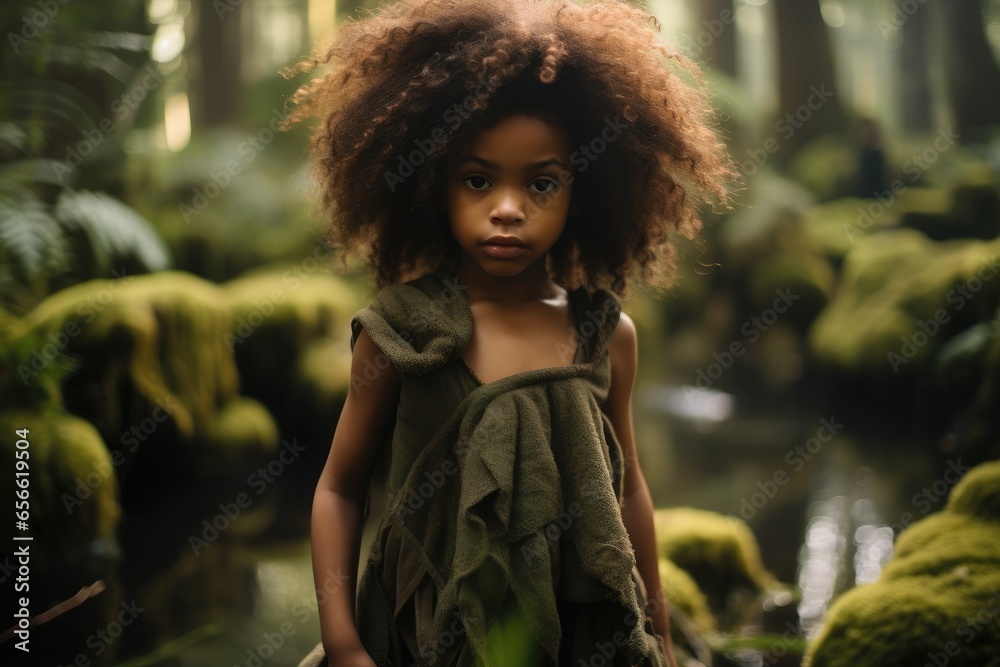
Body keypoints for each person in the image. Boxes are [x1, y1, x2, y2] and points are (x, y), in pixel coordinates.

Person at [286, 1, 733, 664]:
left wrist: (659, 633)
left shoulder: (606, 335)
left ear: (587, 189)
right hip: (425, 636)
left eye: (542, 183)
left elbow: (629, 487)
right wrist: (344, 643)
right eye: (476, 179)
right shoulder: (400, 334)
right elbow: (339, 488)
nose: (506, 209)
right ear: (435, 183)